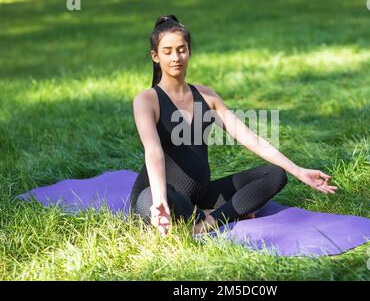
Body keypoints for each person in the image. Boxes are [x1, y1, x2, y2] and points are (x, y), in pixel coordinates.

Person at [131, 14, 337, 237]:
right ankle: (209, 213)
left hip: (202, 194)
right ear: (155, 56)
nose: (176, 57)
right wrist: (160, 200)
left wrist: (299, 171)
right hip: (163, 194)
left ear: (189, 51)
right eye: (167, 51)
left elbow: (250, 138)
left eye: (181, 49)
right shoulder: (147, 100)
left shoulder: (206, 95)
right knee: (147, 200)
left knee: (275, 174)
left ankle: (210, 218)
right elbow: (153, 152)